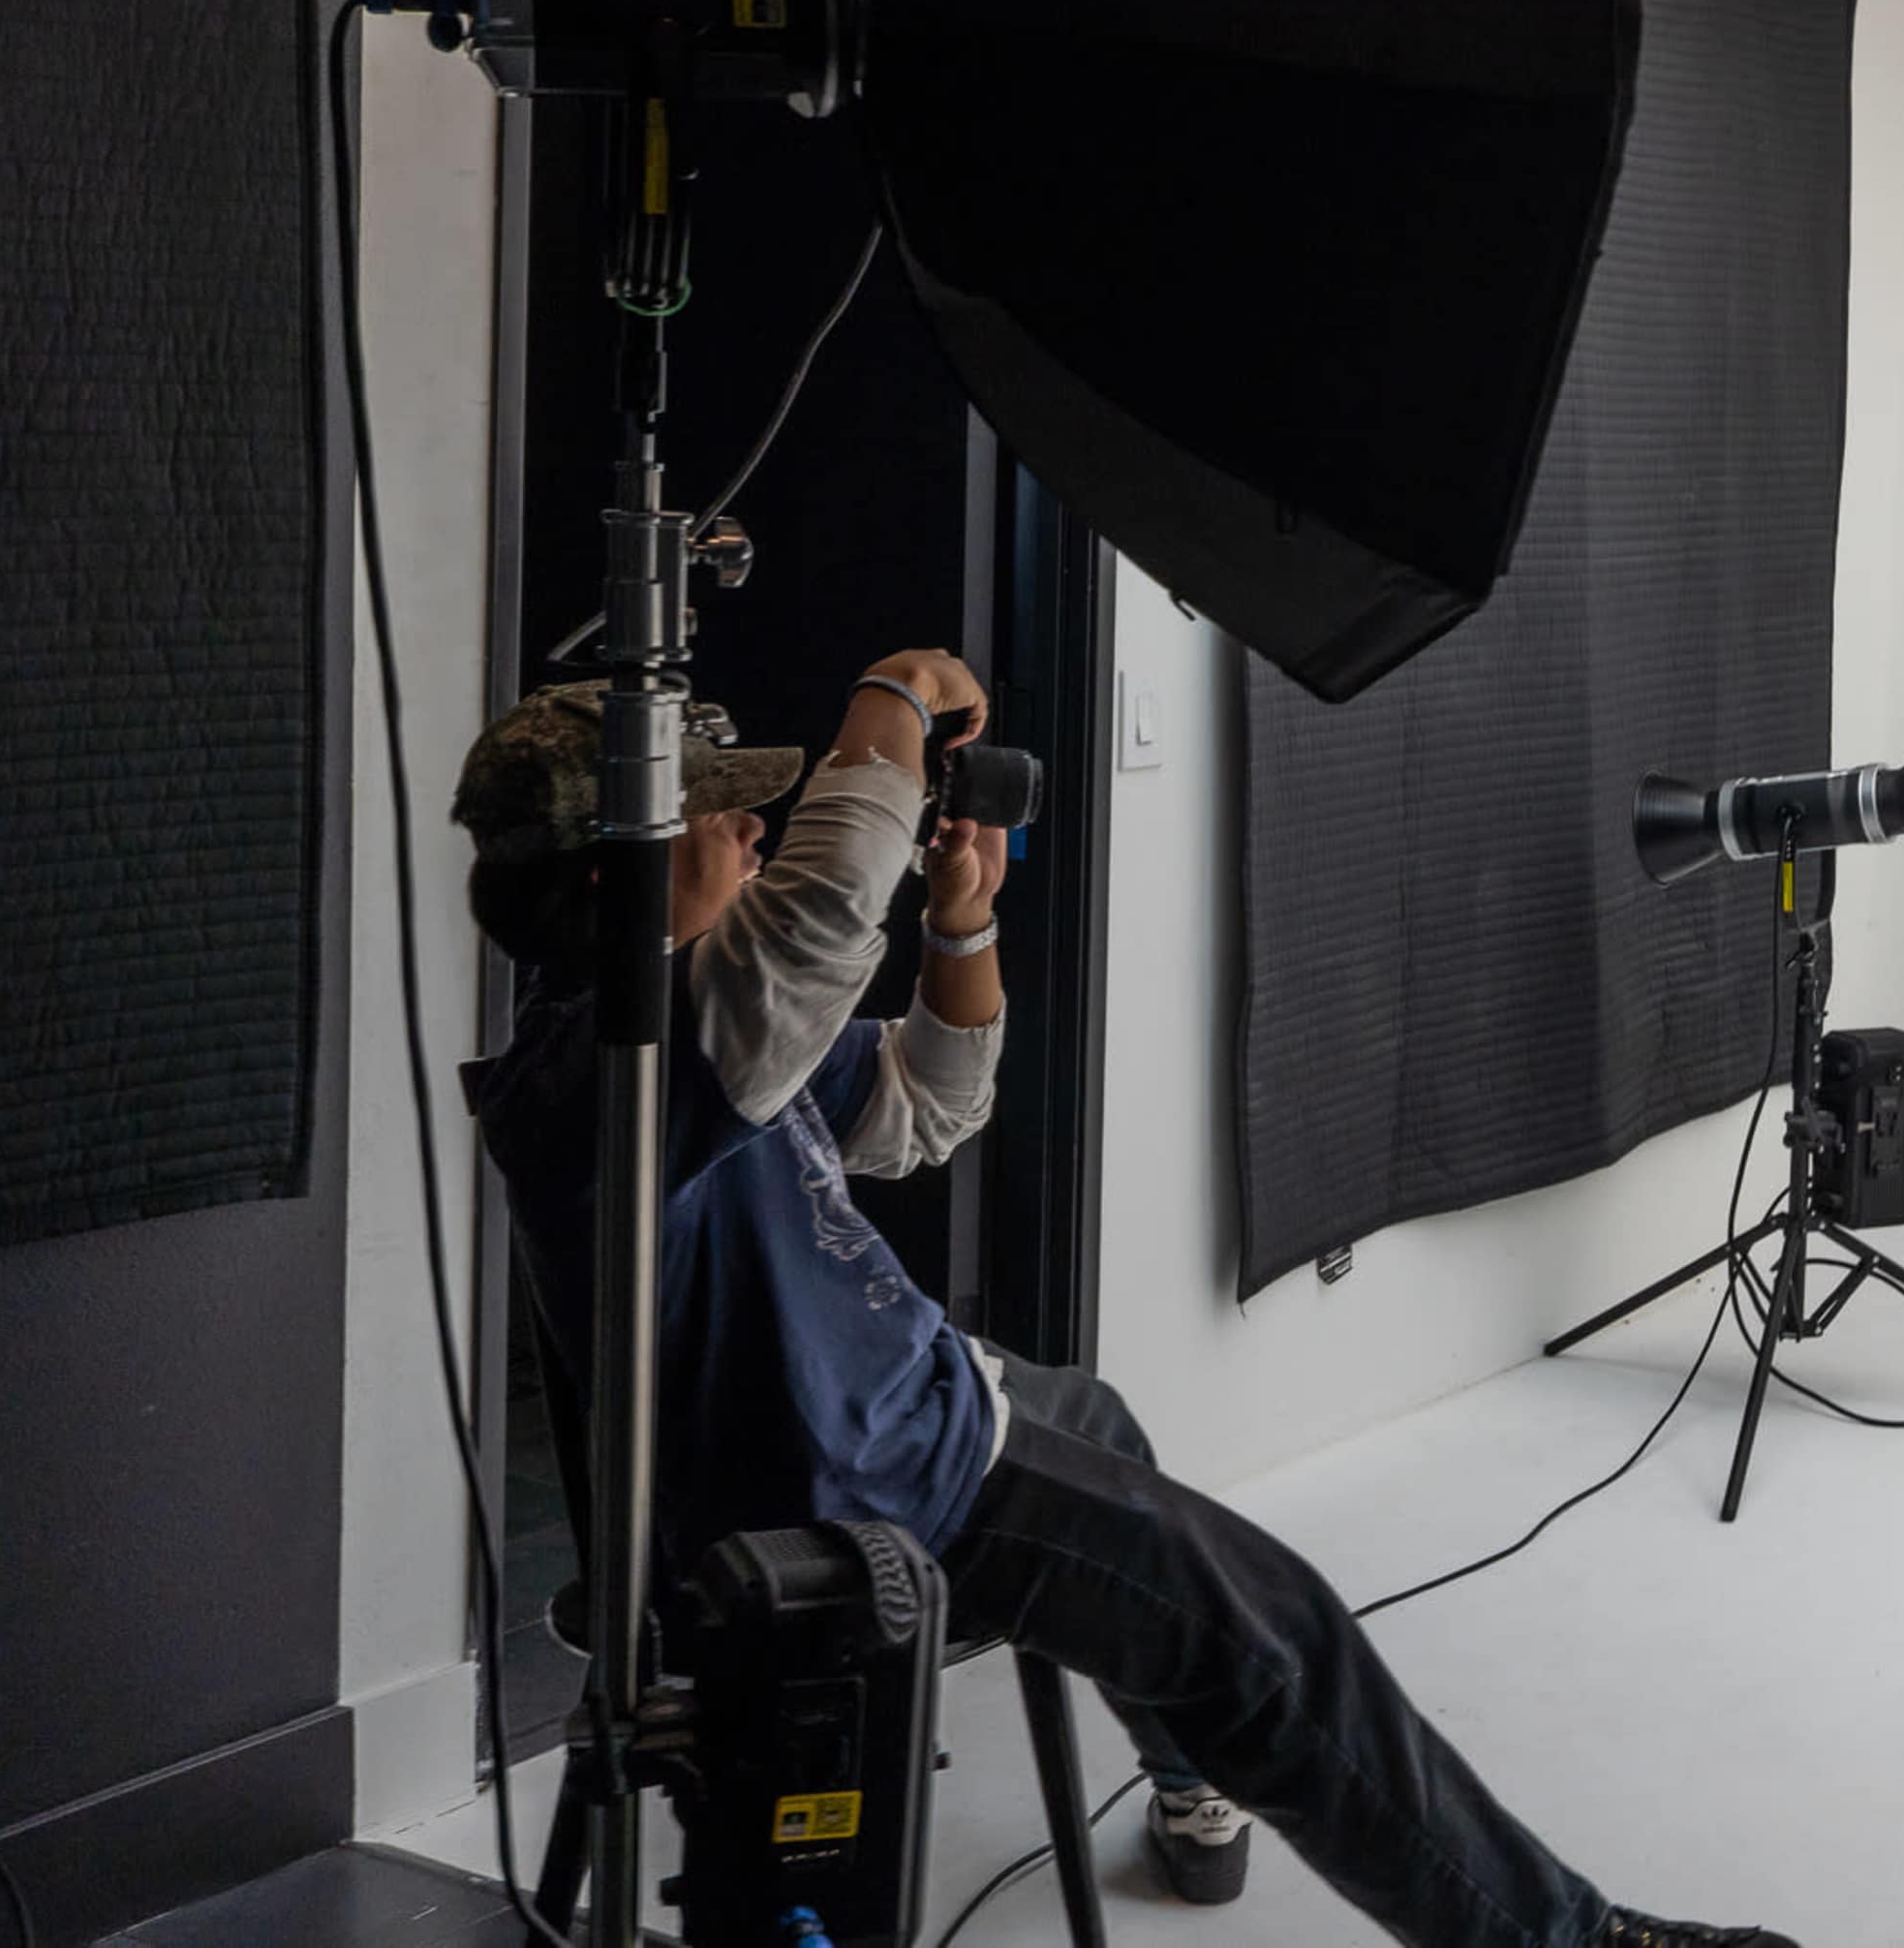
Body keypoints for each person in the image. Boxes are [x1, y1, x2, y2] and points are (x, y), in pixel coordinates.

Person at [455, 652, 1797, 1947]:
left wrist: (962, 919)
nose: (750, 827)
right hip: (872, 1493)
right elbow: (813, 929)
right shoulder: (606, 1074)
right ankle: (1565, 1936)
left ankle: (1192, 1776)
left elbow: (930, 1105)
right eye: (712, 814)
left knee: (1100, 1418)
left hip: (915, 1410)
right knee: (1277, 1639)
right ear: (614, 872)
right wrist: (897, 693)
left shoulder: (707, 1025)